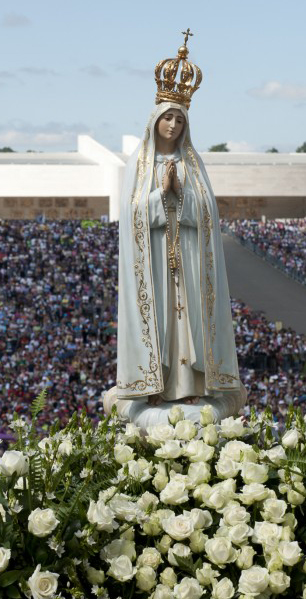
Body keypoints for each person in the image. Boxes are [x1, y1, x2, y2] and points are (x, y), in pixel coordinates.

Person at [104, 32, 245, 427]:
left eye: (180, 119)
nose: (173, 124)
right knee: (162, 319)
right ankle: (156, 382)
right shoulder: (141, 164)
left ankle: (192, 382)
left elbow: (207, 214)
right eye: (168, 117)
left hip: (187, 255)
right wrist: (158, 195)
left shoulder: (193, 164)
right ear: (155, 121)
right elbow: (132, 216)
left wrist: (181, 196)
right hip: (152, 259)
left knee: (190, 319)